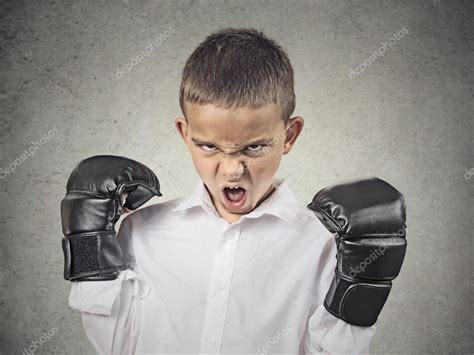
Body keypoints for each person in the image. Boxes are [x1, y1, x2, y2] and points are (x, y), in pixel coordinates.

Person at [64, 28, 404, 354]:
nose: (231, 170)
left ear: (289, 136)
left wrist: (361, 289)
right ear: (185, 134)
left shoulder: (324, 244)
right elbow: (117, 348)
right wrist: (88, 244)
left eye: (254, 147)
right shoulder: (142, 230)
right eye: (208, 146)